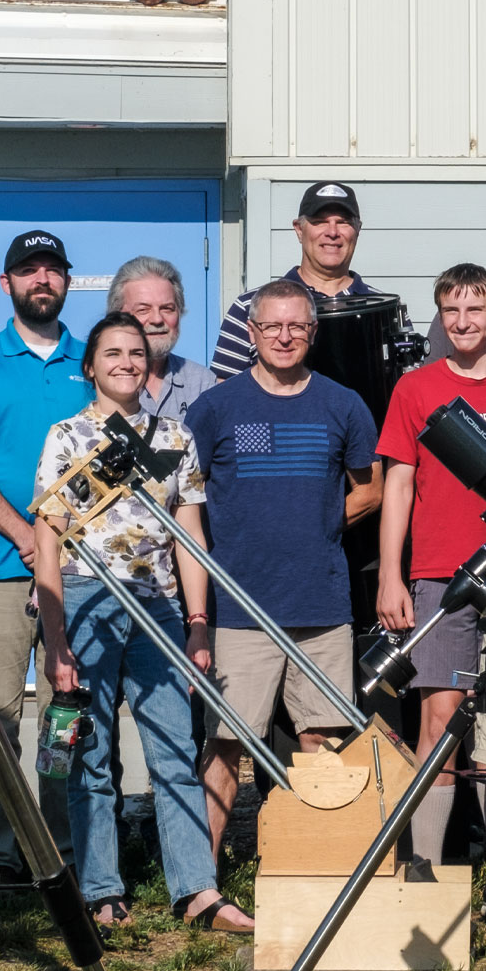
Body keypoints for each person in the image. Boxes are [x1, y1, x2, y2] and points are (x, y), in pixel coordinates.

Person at [30, 314, 252, 934]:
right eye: (112, 353)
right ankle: (102, 889)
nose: (126, 362)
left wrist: (198, 624)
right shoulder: (68, 436)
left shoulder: (175, 436)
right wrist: (56, 640)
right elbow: (48, 542)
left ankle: (197, 890)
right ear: (91, 366)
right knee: (91, 756)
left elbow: (190, 538)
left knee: (175, 749)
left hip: (157, 606)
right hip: (86, 599)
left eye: (135, 353)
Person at [183, 279, 382, 855]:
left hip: (320, 603)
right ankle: (202, 877)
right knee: (225, 742)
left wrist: (316, 523)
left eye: (298, 325)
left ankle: (315, 865)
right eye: (272, 325)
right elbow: (185, 495)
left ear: (314, 332)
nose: (285, 336)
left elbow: (369, 491)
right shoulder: (216, 407)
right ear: (252, 333)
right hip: (239, 608)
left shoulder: (342, 403)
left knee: (322, 737)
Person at [374, 265, 486, 874]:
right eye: (450, 312)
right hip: (440, 575)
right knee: (440, 719)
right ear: (439, 318)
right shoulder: (415, 388)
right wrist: (392, 573)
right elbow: (398, 483)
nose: (463, 323)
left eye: (475, 311)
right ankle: (422, 864)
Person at [0, 228, 92, 884]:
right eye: (28, 270)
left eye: (53, 270)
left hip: (77, 570)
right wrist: (24, 534)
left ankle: (60, 852)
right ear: (6, 284)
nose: (43, 279)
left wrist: (59, 545)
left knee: (64, 714)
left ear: (67, 282)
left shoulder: (90, 363)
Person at [211, 181, 409, 377]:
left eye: (343, 222)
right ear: (299, 229)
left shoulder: (387, 310)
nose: (332, 232)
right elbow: (225, 393)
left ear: (358, 230)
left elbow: (410, 387)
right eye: (320, 221)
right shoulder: (249, 306)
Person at [110, 255, 215, 426]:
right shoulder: (99, 380)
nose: (157, 319)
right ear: (117, 315)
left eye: (167, 309)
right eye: (143, 310)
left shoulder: (202, 384)